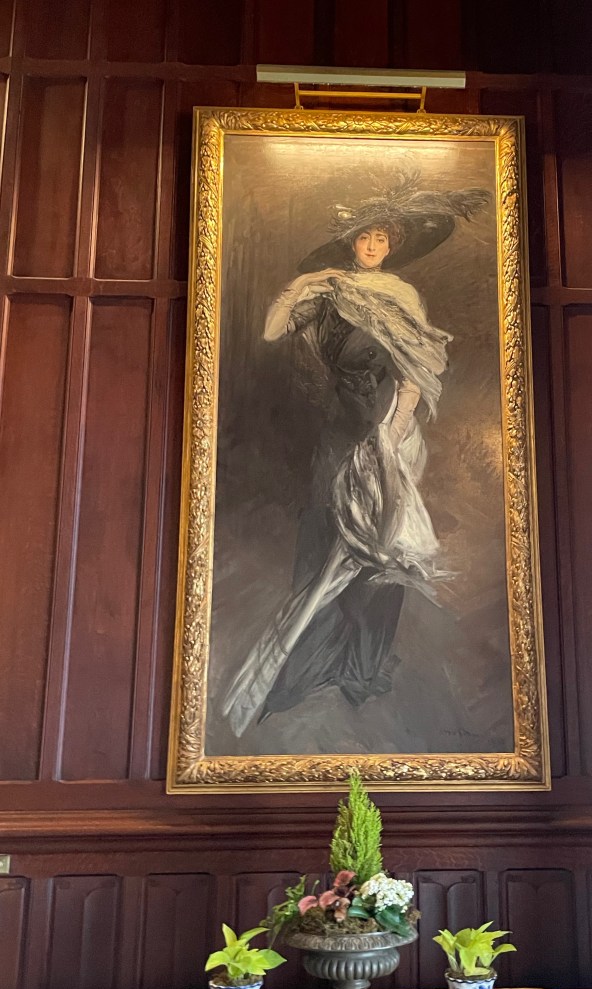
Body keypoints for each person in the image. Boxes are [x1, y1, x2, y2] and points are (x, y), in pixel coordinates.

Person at [221, 174, 490, 737]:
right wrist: (307, 282)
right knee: (323, 533)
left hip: (386, 428)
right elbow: (271, 332)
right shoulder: (328, 293)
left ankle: (361, 666)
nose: (371, 246)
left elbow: (415, 373)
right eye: (363, 238)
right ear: (351, 243)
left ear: (392, 246)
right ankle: (312, 661)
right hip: (338, 429)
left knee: (377, 549)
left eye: (380, 239)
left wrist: (390, 435)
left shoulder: (401, 296)